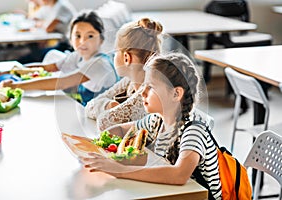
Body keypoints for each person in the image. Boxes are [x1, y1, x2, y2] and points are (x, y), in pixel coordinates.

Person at [81, 53, 222, 200]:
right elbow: (122, 130)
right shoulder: (156, 120)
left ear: (176, 94)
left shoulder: (194, 129)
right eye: (144, 86)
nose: (143, 92)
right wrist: (98, 145)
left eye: (151, 87)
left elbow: (179, 175)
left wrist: (120, 171)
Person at [1, 11, 118, 106]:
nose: (83, 41)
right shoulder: (78, 55)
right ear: (70, 39)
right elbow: (48, 68)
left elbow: (60, 83)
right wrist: (2, 73)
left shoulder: (99, 64)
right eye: (78, 36)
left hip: (103, 113)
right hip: (87, 107)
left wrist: (15, 86)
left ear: (101, 39)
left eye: (90, 36)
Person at [85, 18, 163, 131]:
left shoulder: (149, 90)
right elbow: (90, 105)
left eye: (116, 52)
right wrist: (109, 105)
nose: (114, 56)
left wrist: (109, 107)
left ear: (126, 58)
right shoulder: (129, 82)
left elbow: (104, 123)